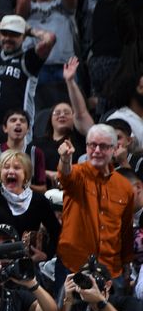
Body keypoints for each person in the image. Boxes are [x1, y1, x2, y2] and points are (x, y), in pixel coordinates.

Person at [0, 112, 61, 261]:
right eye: (6, 167)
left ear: (26, 175)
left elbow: (56, 231)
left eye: (17, 167)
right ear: (0, 173)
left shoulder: (38, 201)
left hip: (25, 267)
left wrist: (46, 255)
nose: (11, 171)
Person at [56, 125, 135, 294]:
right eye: (92, 145)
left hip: (111, 270)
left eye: (104, 146)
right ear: (86, 147)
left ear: (114, 149)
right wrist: (64, 159)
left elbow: (126, 231)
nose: (97, 150)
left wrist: (127, 264)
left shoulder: (125, 187)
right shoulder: (77, 173)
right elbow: (65, 176)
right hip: (73, 266)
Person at [0, 109, 47, 193]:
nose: (18, 123)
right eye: (13, 120)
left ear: (28, 129)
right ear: (5, 128)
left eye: (22, 121)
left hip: (27, 203)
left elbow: (43, 189)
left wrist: (21, 186)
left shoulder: (36, 153)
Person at [33, 101, 85, 188]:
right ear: (50, 119)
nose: (62, 115)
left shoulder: (80, 143)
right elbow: (27, 168)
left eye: (67, 113)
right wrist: (46, 173)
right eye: (57, 113)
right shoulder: (36, 144)